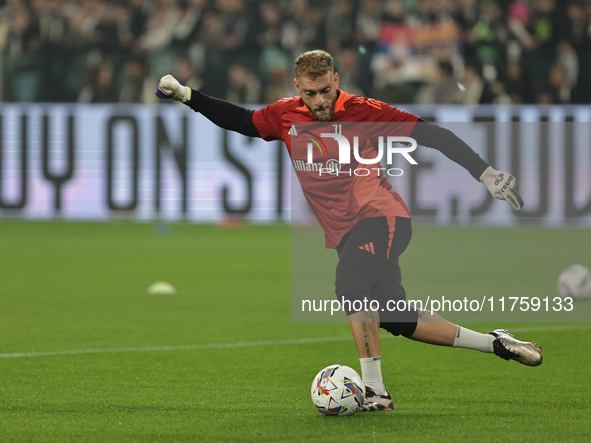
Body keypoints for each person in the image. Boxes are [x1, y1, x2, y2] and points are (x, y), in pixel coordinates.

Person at [155, 50, 542, 412]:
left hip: (382, 218)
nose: (320, 101)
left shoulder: (364, 111)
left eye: (326, 90)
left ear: (336, 80)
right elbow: (241, 121)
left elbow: (433, 135)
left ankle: (374, 390)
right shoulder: (285, 115)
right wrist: (188, 95)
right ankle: (496, 343)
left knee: (351, 283)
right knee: (394, 317)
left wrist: (486, 173)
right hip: (345, 235)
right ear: (297, 89)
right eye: (311, 93)